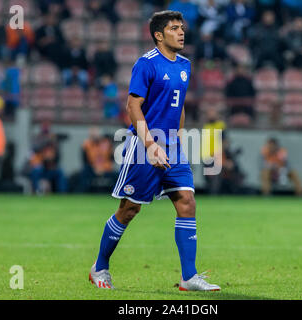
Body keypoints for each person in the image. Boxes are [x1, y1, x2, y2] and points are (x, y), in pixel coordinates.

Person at [89, 11, 220, 291]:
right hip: (143, 147)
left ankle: (189, 277)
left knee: (187, 201)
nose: (181, 33)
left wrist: (178, 142)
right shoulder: (145, 64)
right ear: (159, 35)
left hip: (172, 145)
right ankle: (99, 267)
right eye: (174, 29)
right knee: (129, 209)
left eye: (182, 28)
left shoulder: (184, 65)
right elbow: (132, 106)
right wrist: (150, 145)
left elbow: (179, 106)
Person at [28, 122, 68, 194]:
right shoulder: (38, 140)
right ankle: (37, 191)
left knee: (60, 172)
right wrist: (46, 141)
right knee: (35, 172)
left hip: (50, 168)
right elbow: (34, 150)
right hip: (41, 167)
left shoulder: (53, 145)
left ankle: (62, 193)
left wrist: (54, 142)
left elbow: (58, 158)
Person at [78, 127, 116, 193]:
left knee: (116, 175)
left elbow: (111, 159)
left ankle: (115, 193)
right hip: (92, 168)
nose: (94, 136)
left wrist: (103, 168)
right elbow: (85, 160)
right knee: (84, 173)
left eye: (96, 133)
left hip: (106, 168)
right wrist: (95, 168)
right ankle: (84, 193)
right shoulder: (86, 144)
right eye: (92, 134)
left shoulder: (106, 143)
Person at [201, 108, 227, 195]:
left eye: (213, 113)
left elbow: (224, 140)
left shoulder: (220, 125)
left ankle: (215, 193)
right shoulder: (206, 126)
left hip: (216, 154)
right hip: (206, 154)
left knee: (216, 176)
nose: (211, 116)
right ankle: (210, 192)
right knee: (207, 176)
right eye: (209, 114)